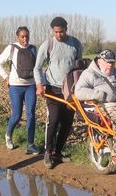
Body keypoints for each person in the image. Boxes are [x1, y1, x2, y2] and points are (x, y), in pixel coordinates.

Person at [34, 16, 83, 169]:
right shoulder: (47, 45)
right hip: (52, 88)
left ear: (66, 30)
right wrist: (39, 85)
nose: (58, 35)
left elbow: (79, 67)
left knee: (67, 122)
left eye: (61, 32)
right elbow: (37, 67)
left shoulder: (75, 44)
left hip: (70, 90)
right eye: (56, 32)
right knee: (53, 120)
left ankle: (58, 152)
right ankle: (48, 152)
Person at [0, 26, 40, 154]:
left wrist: (40, 82)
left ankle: (31, 144)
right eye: (22, 37)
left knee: (31, 114)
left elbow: (38, 67)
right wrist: (5, 77)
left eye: (27, 36)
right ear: (17, 37)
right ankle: (8, 135)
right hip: (15, 86)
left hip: (31, 85)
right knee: (17, 115)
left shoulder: (33, 49)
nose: (25, 39)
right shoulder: (11, 48)